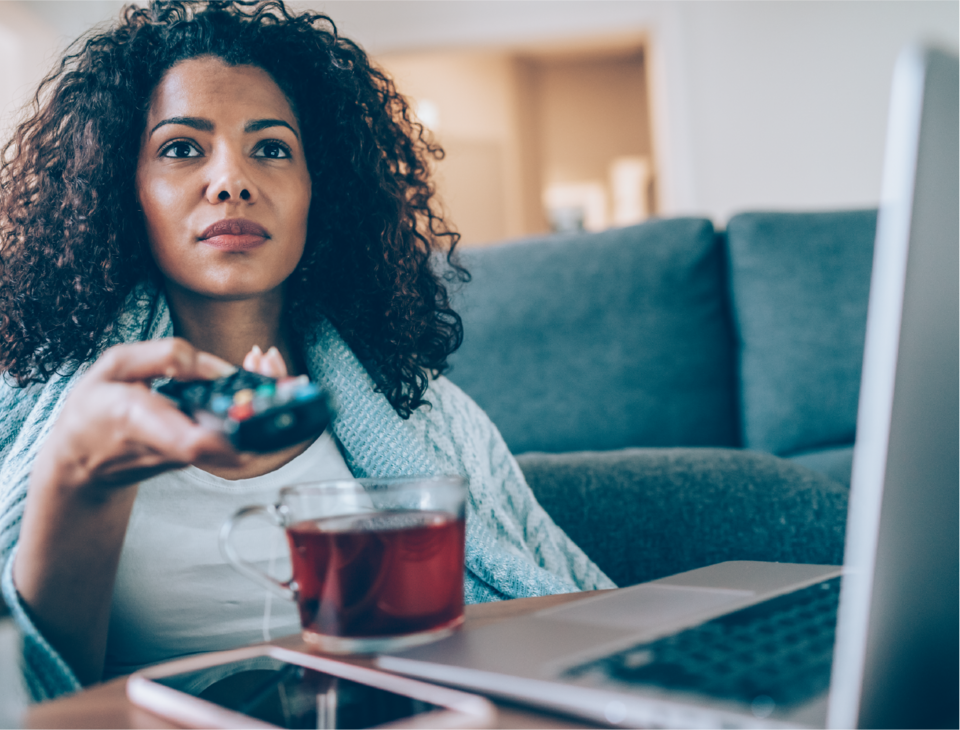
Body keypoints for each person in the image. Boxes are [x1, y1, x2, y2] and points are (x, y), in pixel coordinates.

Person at [0, 0, 613, 703]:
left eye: (271, 148)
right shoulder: (53, 417)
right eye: (181, 148)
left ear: (319, 190)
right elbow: (36, 695)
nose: (231, 180)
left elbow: (540, 618)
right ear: (121, 186)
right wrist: (80, 479)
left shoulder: (428, 415)